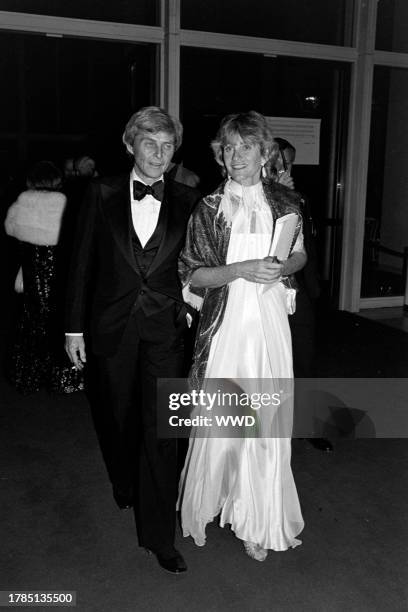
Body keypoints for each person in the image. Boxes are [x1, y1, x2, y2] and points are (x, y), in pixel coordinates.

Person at [64, 106, 201, 574]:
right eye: (150, 144)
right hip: (112, 327)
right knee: (118, 419)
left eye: (167, 146)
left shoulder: (189, 197)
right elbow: (80, 264)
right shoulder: (98, 193)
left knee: (163, 429)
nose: (159, 154)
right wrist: (73, 327)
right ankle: (124, 479)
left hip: (166, 331)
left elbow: (199, 261)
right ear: (130, 145)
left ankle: (160, 536)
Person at [178, 111, 306, 561]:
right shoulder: (209, 208)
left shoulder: (286, 202)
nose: (235, 156)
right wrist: (241, 270)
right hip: (228, 325)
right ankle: (218, 501)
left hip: (268, 320)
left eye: (245, 147)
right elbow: (193, 274)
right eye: (228, 148)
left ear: (263, 152)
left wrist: (281, 267)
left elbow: (299, 255)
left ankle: (258, 518)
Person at [273, 138, 333, 452]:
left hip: (300, 293)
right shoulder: (256, 200)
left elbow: (307, 243)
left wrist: (314, 286)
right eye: (282, 163)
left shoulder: (301, 198)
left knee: (305, 361)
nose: (288, 169)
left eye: (291, 163)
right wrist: (278, 196)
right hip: (267, 294)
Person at [4, 161, 83, 394]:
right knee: (60, 324)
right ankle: (64, 379)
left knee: (30, 324)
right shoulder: (65, 205)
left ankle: (30, 376)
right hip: (59, 274)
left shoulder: (21, 202)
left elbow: (10, 231)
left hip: (31, 274)